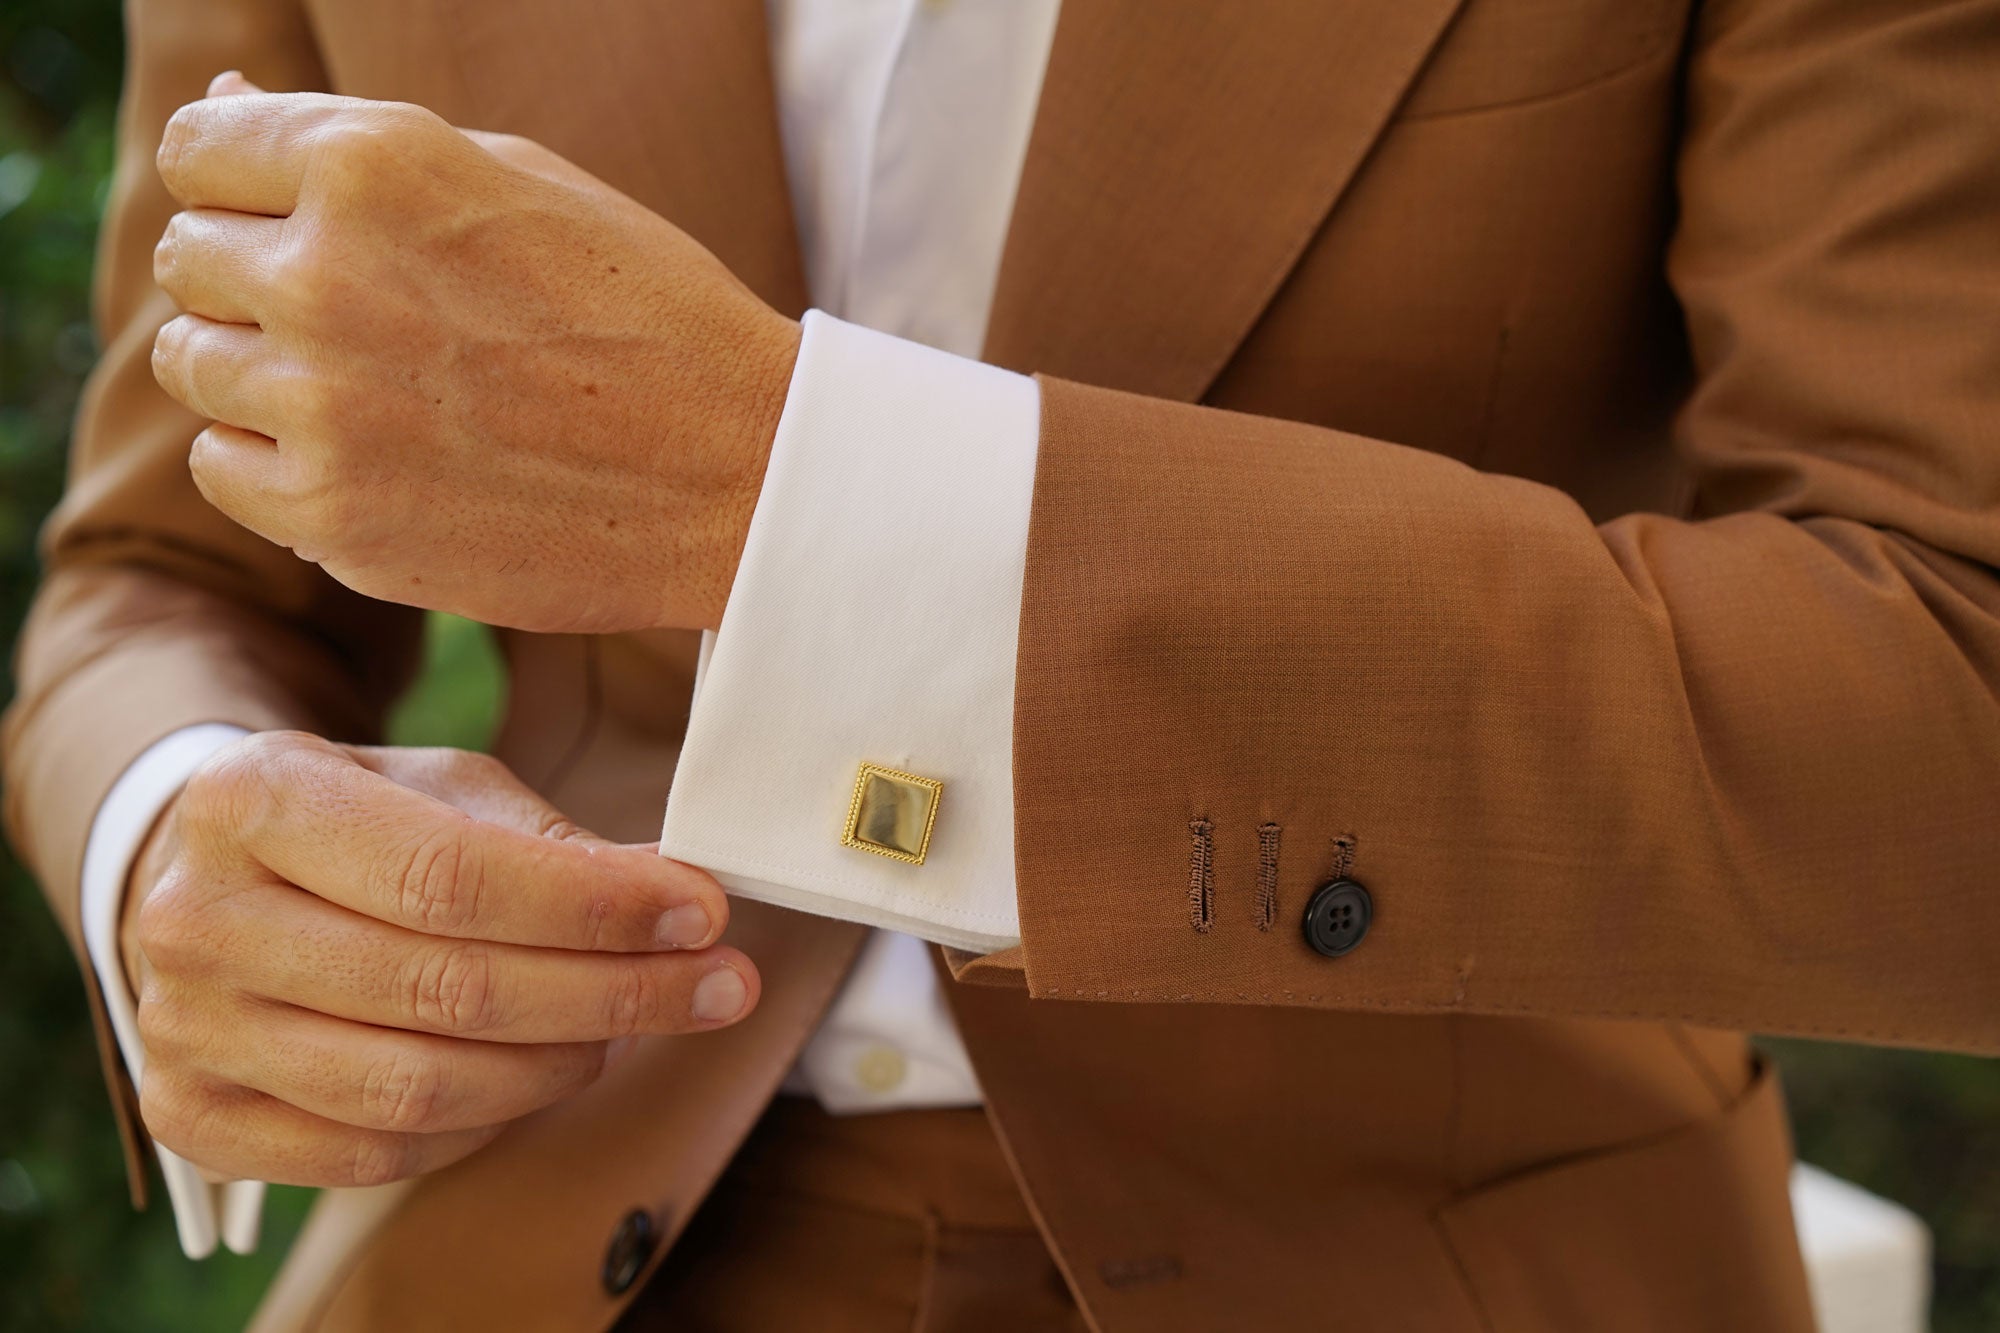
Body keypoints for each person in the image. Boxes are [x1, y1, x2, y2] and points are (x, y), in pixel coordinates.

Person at [5, 0, 1995, 1328]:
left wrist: (805, 489)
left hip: (1445, 1251)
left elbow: (1954, 721)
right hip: (547, 1228)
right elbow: (159, 565)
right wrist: (167, 823)